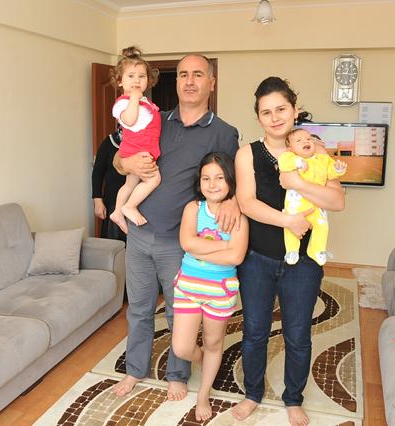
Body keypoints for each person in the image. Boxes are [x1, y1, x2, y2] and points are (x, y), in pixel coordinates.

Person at [111, 54, 240, 401]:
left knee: (178, 312)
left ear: (211, 82)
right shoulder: (154, 117)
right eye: (183, 74)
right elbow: (119, 157)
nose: (189, 81)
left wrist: (232, 201)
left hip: (179, 241)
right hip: (139, 233)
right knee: (138, 309)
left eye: (198, 74)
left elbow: (233, 179)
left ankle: (177, 374)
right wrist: (127, 163)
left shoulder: (224, 132)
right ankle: (135, 369)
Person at [231, 77, 345, 426]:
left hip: (304, 262)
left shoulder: (315, 149)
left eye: (281, 109)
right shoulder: (248, 153)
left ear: (295, 110)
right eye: (266, 112)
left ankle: (293, 398)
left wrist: (296, 183)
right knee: (255, 331)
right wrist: (288, 221)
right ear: (258, 117)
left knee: (298, 334)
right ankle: (252, 394)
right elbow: (246, 202)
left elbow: (336, 201)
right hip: (257, 259)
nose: (275, 117)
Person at [171, 152, 248, 421]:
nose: (212, 184)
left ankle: (203, 394)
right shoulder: (193, 209)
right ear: (199, 181)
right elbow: (187, 243)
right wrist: (224, 245)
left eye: (219, 178)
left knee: (213, 342)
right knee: (182, 348)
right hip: (189, 286)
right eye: (206, 178)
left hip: (220, 290)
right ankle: (205, 361)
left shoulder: (239, 216)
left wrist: (201, 248)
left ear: (230, 181)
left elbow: (236, 257)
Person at [108, 46, 161, 234]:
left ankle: (117, 212)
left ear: (149, 80)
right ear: (120, 81)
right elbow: (129, 120)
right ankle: (130, 206)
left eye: (141, 76)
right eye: (130, 76)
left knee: (130, 184)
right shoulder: (123, 103)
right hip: (137, 150)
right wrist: (134, 99)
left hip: (141, 148)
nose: (137, 80)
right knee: (154, 179)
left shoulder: (144, 102)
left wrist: (139, 100)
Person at [278, 128, 346, 265]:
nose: (305, 141)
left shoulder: (322, 159)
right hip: (296, 203)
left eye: (308, 139)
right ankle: (291, 250)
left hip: (316, 205)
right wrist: (298, 162)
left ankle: (317, 250)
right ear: (291, 148)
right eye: (299, 140)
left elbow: (331, 172)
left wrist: (338, 169)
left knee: (322, 226)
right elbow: (284, 163)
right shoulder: (289, 157)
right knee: (290, 228)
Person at [91, 127, 126, 242]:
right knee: (113, 243)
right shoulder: (109, 142)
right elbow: (97, 172)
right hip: (113, 204)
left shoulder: (145, 140)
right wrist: (97, 200)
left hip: (139, 204)